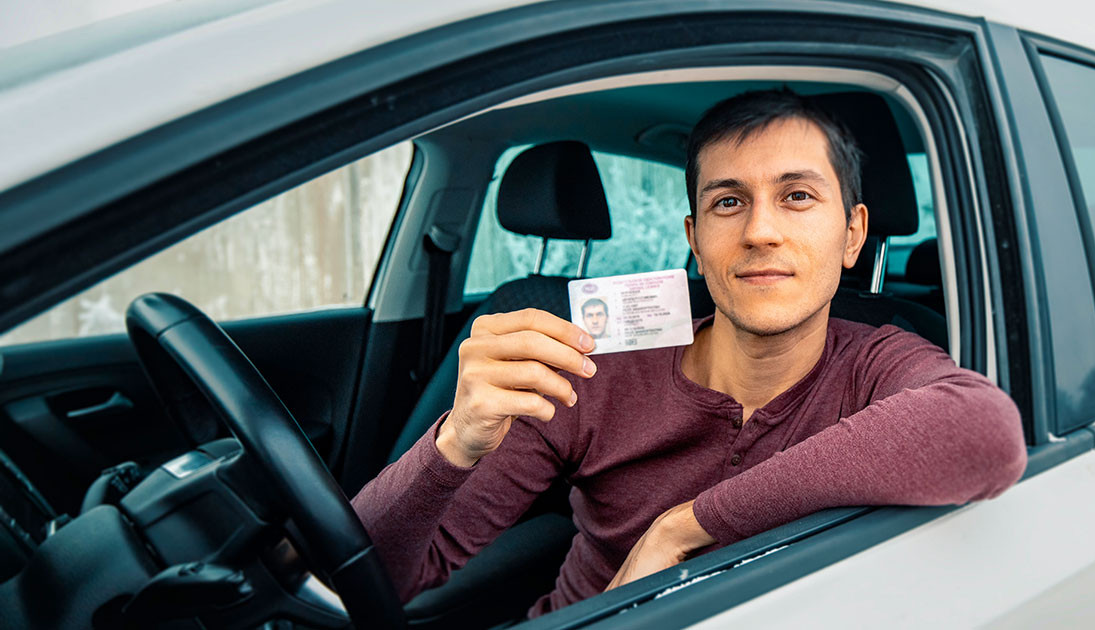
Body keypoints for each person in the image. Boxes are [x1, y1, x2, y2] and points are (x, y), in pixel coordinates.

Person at [352, 88, 1027, 618]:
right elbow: (374, 577)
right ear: (696, 240)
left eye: (797, 197)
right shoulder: (596, 359)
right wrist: (455, 446)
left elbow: (989, 435)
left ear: (852, 234)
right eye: (729, 202)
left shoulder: (881, 361)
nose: (761, 231)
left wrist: (682, 528)